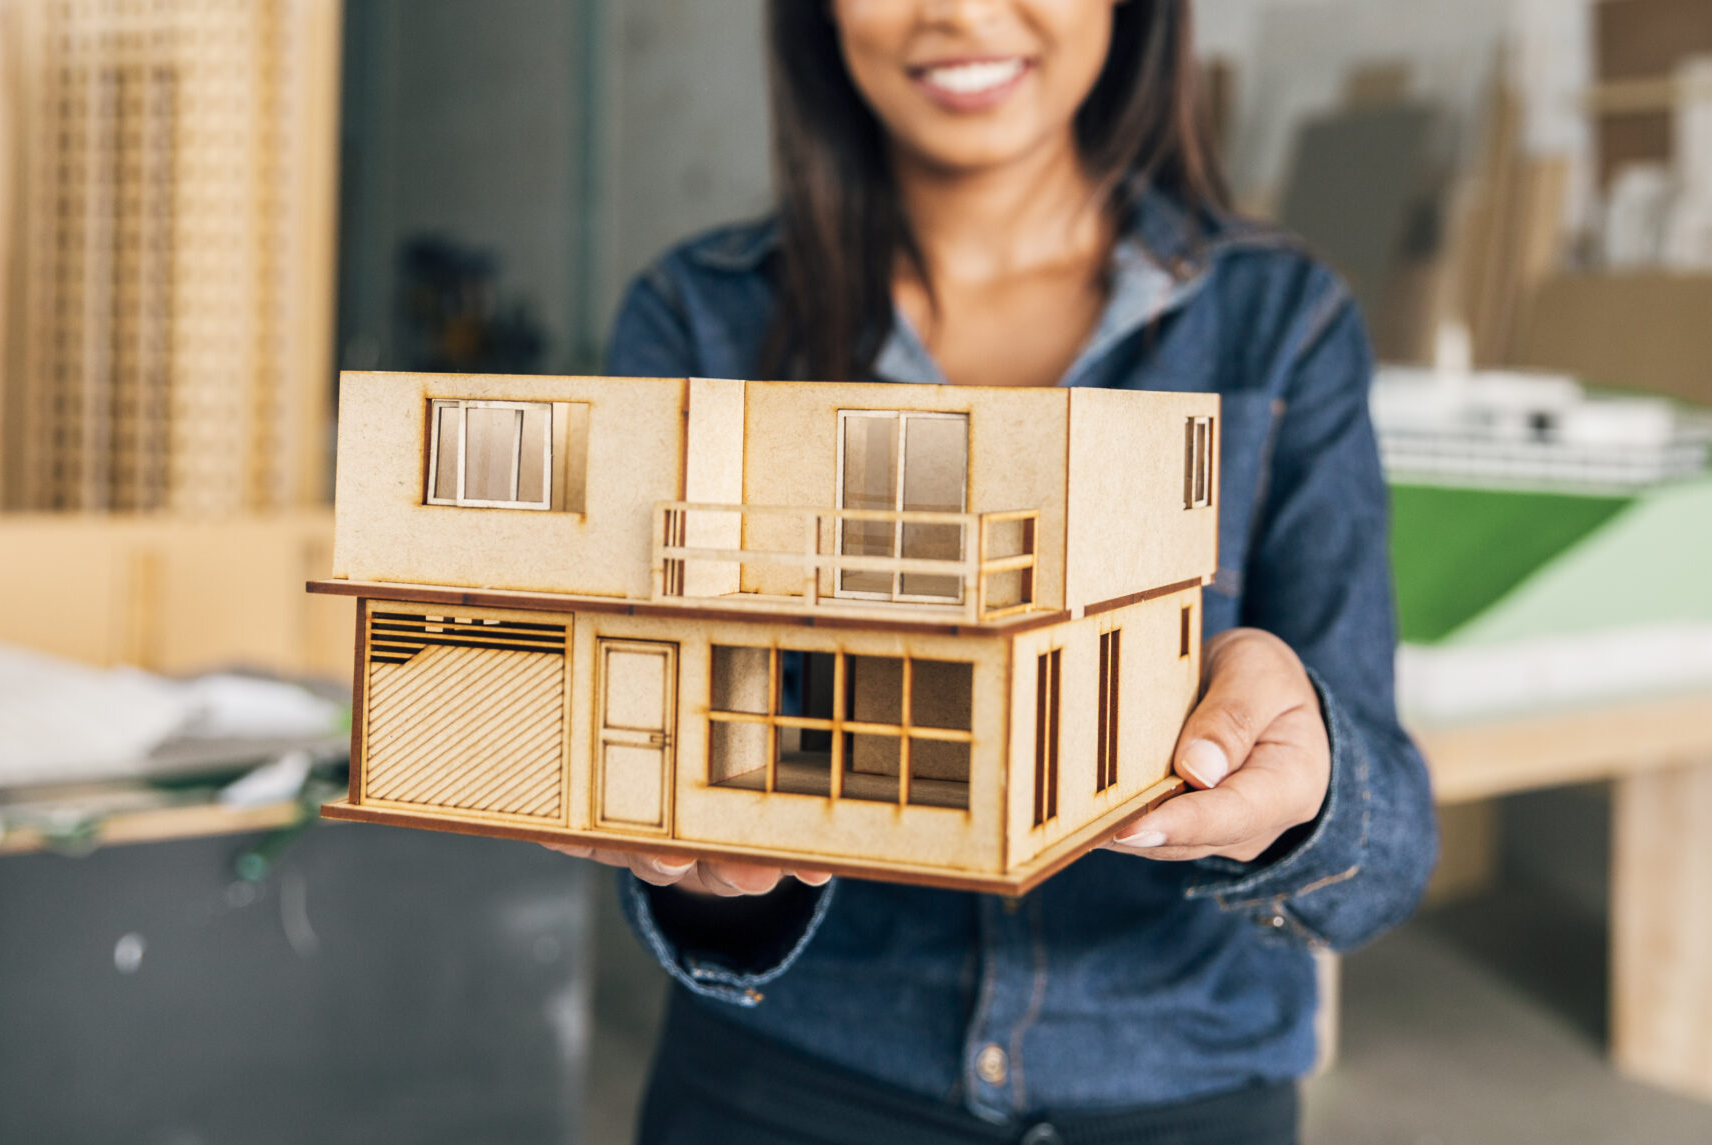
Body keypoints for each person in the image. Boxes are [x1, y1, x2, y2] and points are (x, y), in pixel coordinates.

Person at [560, 2, 1438, 1141]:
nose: (961, 12)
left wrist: (1309, 781)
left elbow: (1390, 846)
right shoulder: (697, 317)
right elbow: (653, 789)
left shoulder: (1283, 321)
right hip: (790, 1074)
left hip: (1175, 1076)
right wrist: (699, 863)